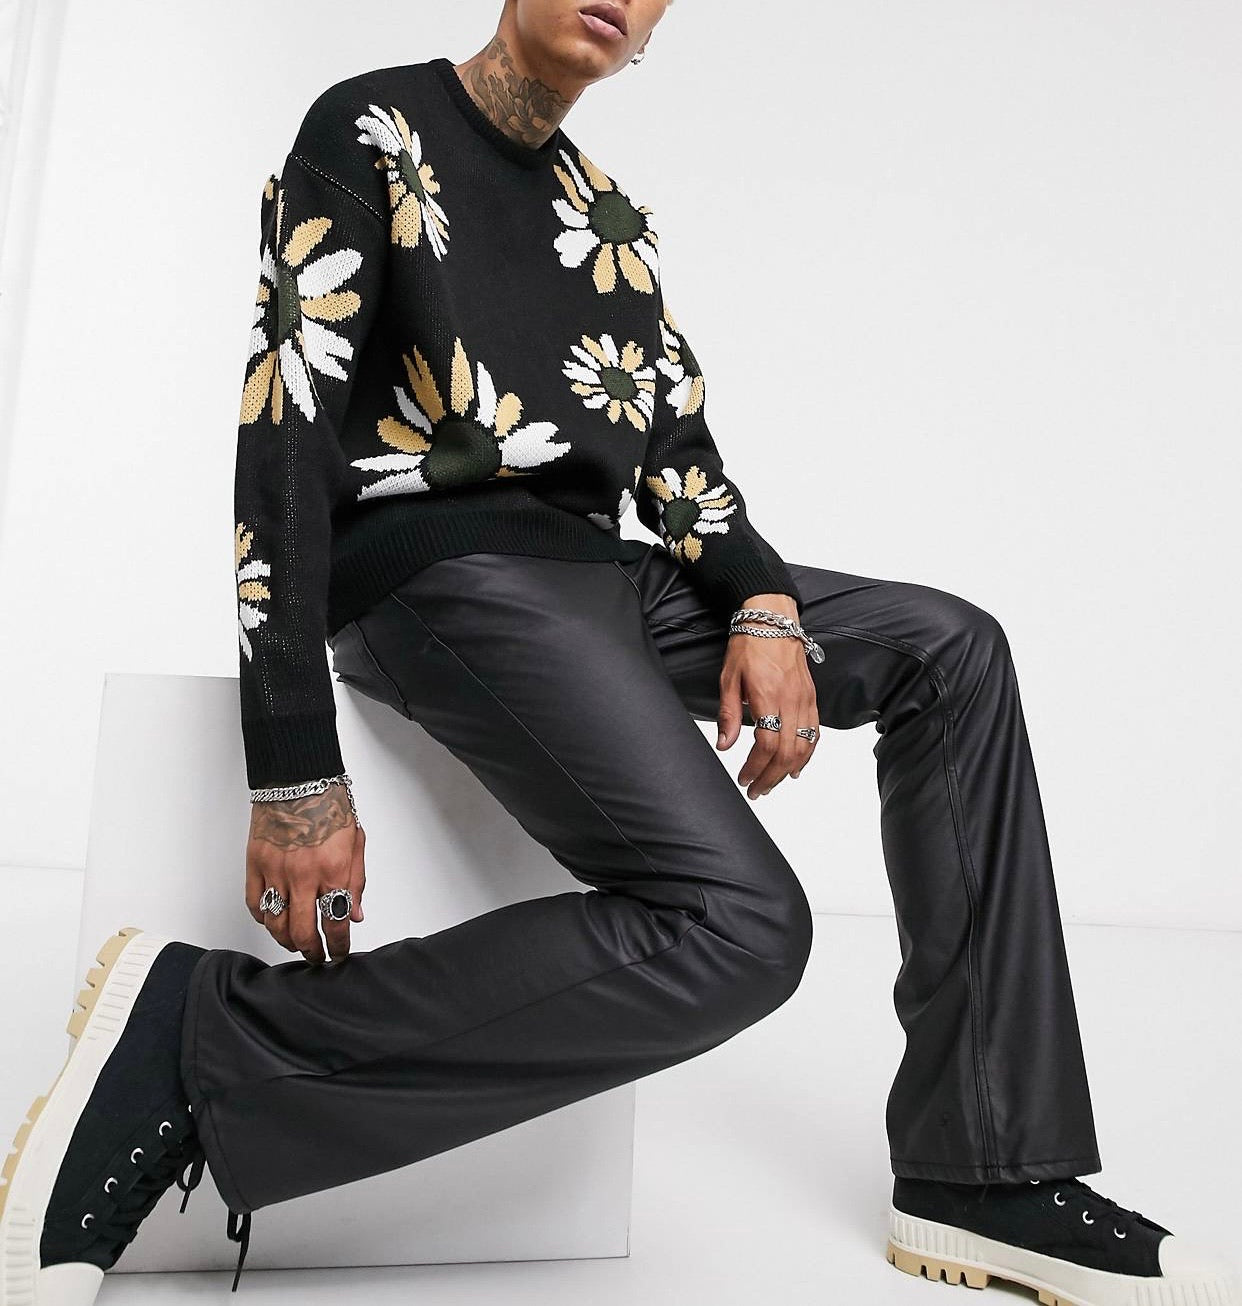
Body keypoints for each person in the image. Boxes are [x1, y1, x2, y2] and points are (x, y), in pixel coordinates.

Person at [2, 3, 1237, 1303]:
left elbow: (680, 466)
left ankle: (984, 1169)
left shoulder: (606, 222)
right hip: (440, 576)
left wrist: (762, 606)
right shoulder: (372, 130)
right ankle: (200, 1045)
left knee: (949, 649)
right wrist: (294, 767)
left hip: (602, 577)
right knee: (741, 926)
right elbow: (283, 441)